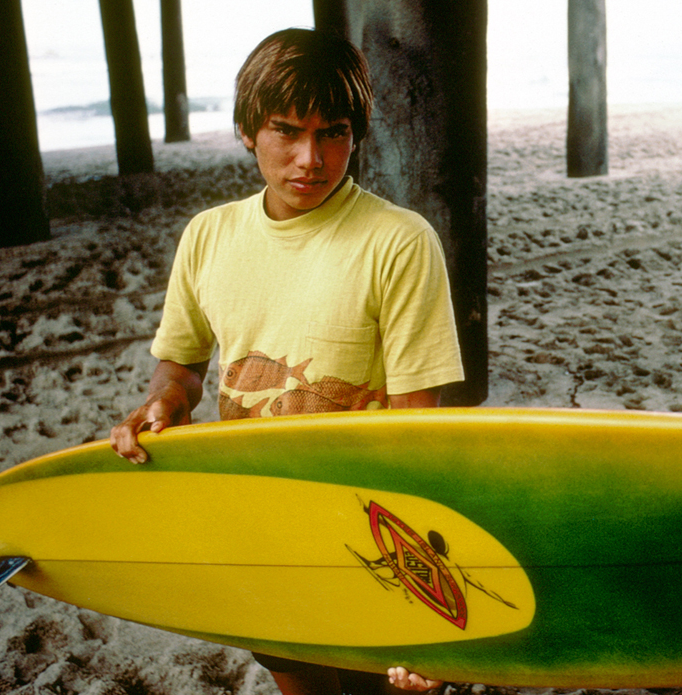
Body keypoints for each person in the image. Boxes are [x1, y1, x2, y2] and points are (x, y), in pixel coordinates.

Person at [109, 27, 463, 695]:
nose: (311, 157)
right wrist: (167, 400)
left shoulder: (399, 242)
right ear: (248, 129)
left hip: (369, 537)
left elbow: (422, 434)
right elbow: (181, 365)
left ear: (356, 134)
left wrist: (421, 585)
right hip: (262, 527)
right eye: (287, 131)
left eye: (333, 132)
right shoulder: (208, 236)